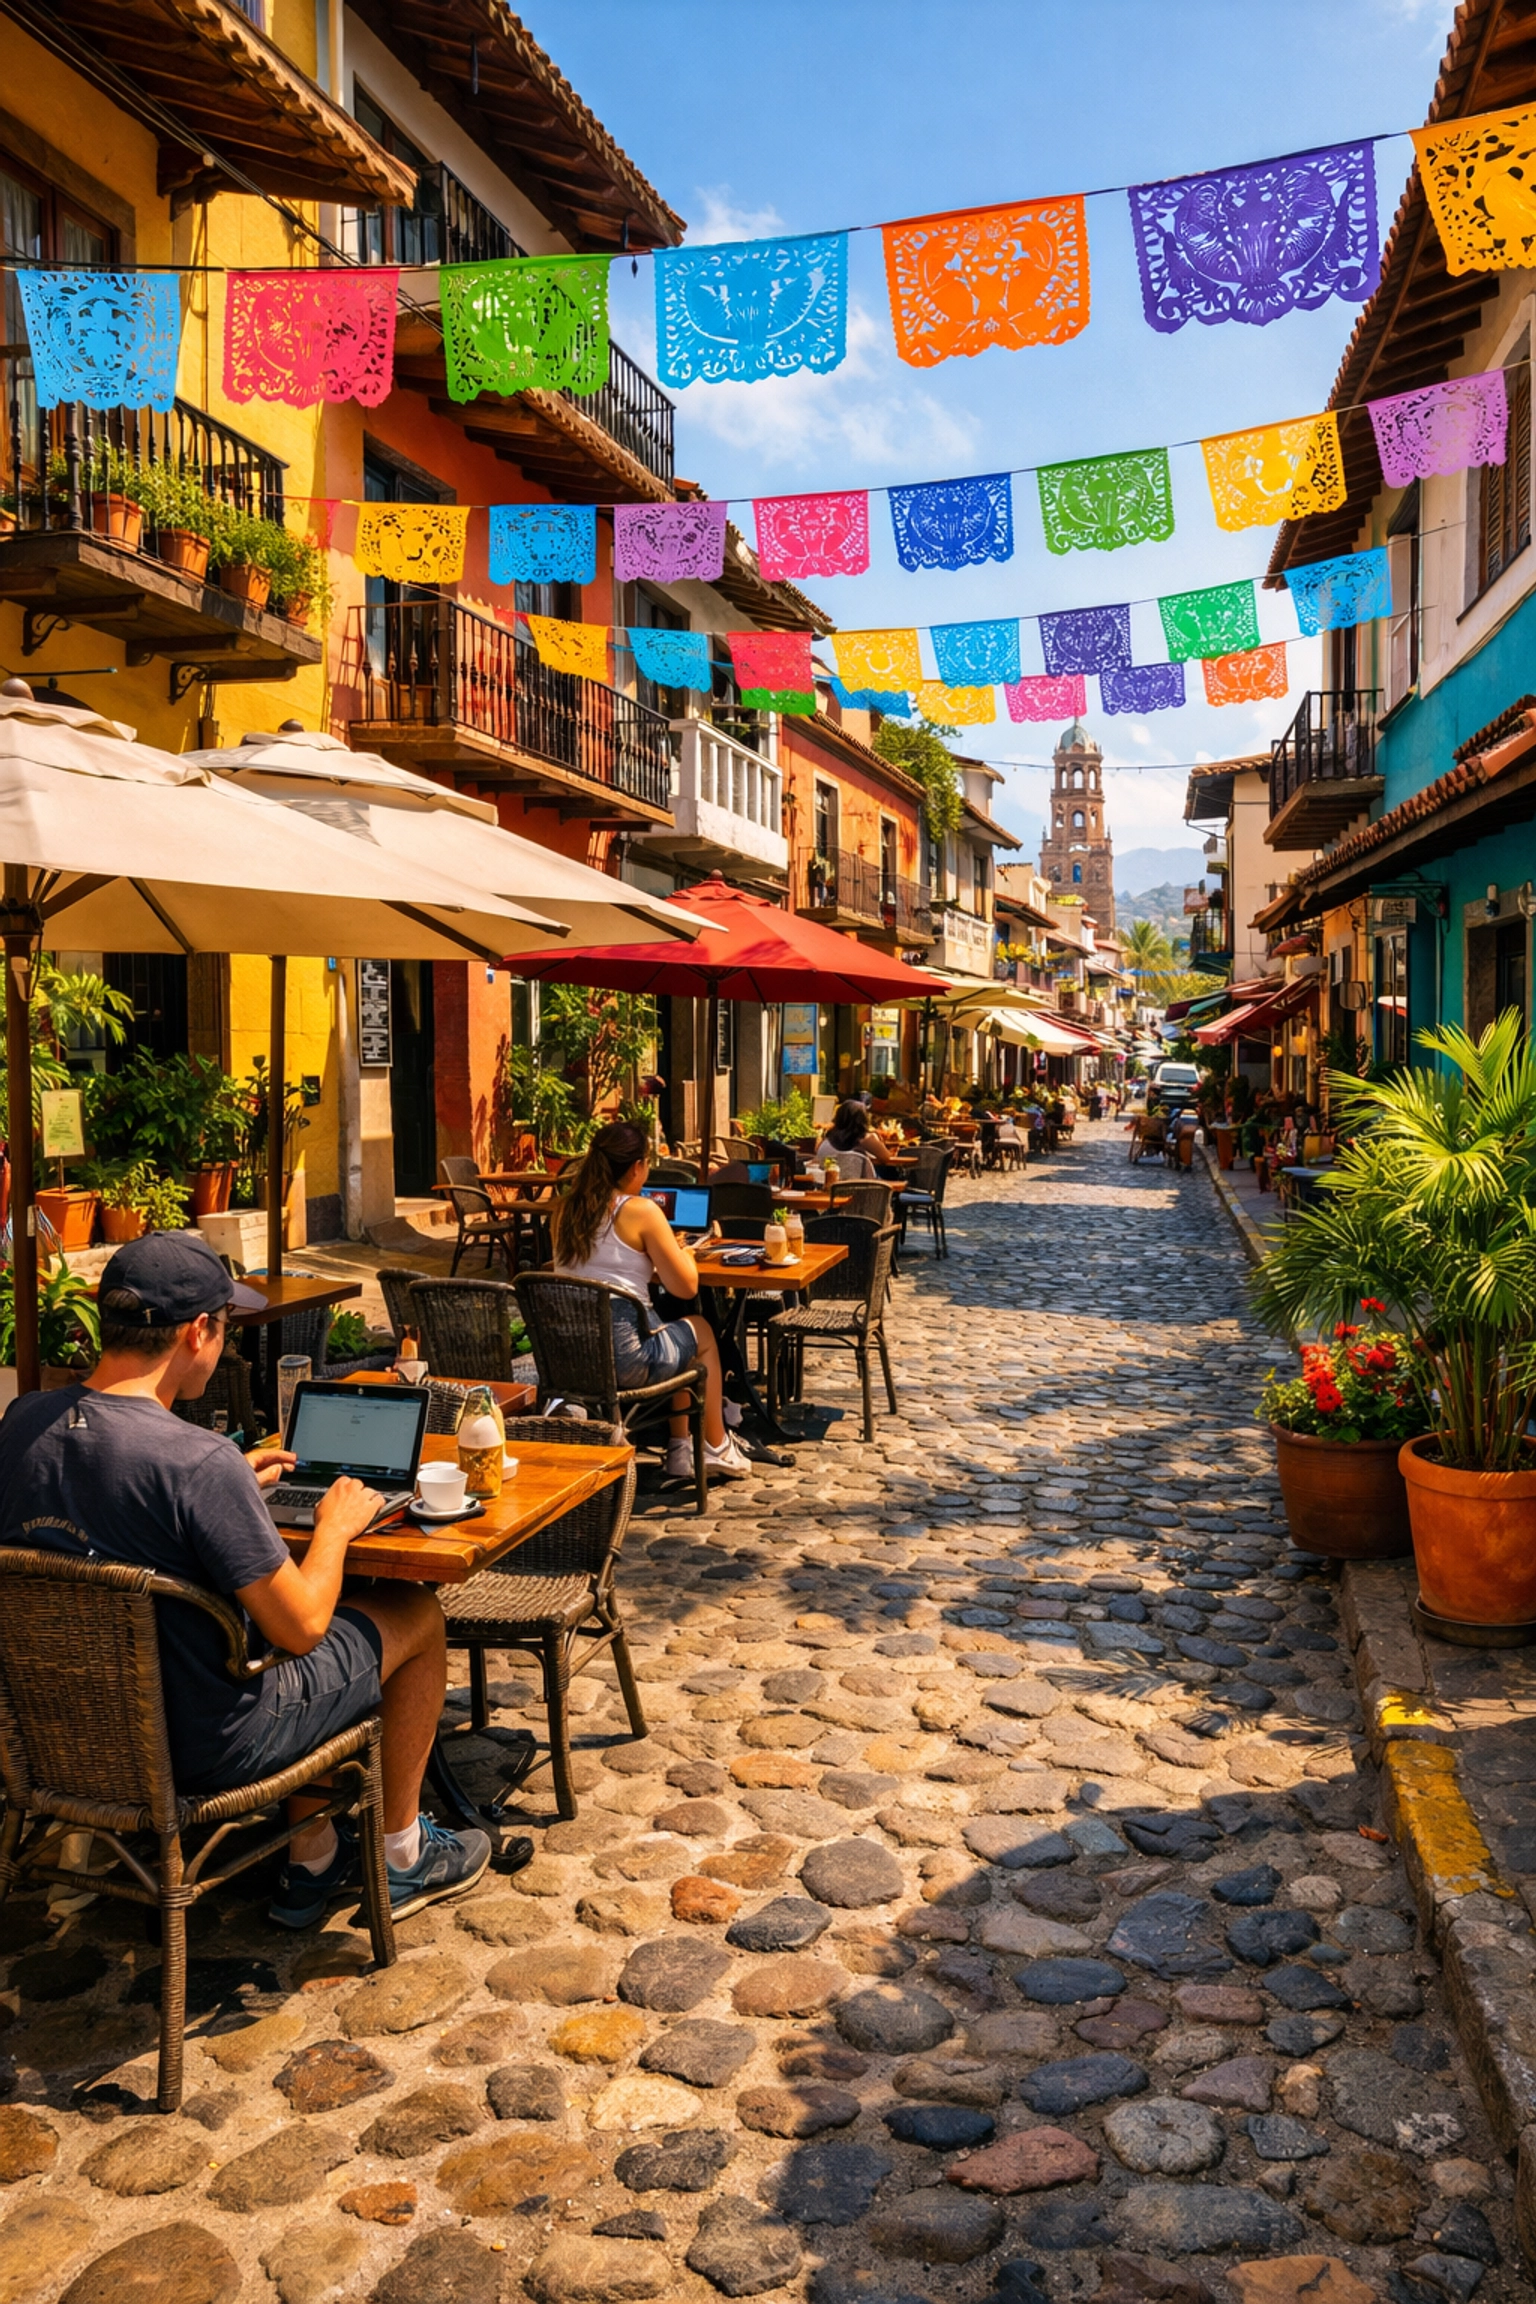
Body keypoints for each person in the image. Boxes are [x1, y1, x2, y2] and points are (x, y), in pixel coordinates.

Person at [0, 1231, 491, 1931]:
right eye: (226, 1328)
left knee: (307, 1626)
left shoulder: (22, 1423)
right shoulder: (196, 1463)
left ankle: (314, 1857)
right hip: (207, 1747)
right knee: (411, 1613)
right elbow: (304, 1628)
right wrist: (333, 1528)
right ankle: (402, 1855)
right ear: (197, 1331)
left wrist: (233, 1492)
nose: (226, 1344)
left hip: (59, 1735)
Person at [552, 1119, 748, 1484]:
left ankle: (679, 1450)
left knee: (673, 1330)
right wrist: (685, 1252)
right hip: (626, 1361)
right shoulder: (641, 1210)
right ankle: (716, 1446)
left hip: (571, 1359)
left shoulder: (564, 1211)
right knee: (700, 1331)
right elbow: (686, 1287)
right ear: (636, 1167)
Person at [814, 1099, 879, 1179]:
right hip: (857, 1184)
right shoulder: (863, 1138)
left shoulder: (828, 1138)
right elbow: (886, 1157)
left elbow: (817, 1154)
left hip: (828, 1183)